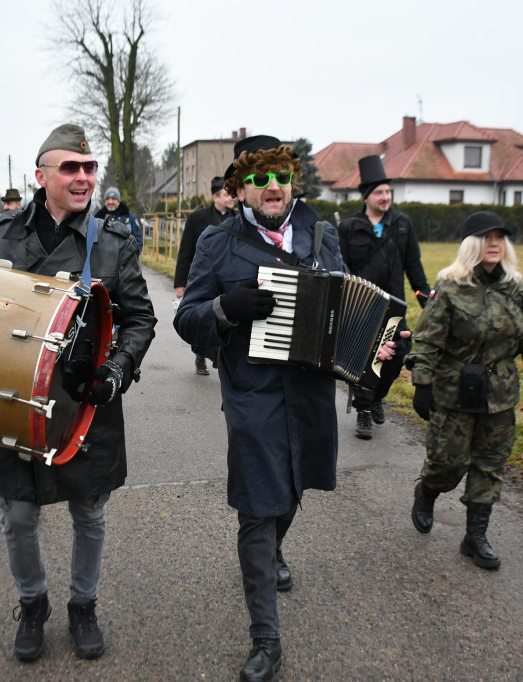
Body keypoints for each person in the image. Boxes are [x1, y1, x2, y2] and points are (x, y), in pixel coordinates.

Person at [174, 135, 401, 682]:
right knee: (258, 500)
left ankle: (273, 546)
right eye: (258, 178)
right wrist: (225, 308)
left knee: (294, 488)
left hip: (311, 392)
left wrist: (382, 345)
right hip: (252, 394)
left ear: (292, 180)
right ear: (241, 188)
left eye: (279, 176)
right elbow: (187, 319)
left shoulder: (321, 235)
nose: (270, 186)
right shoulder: (217, 242)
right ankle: (266, 639)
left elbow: (350, 307)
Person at [0, 124, 156, 662]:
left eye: (88, 169)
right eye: (69, 168)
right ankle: (33, 604)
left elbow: (140, 318)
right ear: (41, 176)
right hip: (15, 398)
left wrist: (119, 369)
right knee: (17, 515)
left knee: (90, 513)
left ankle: (84, 606)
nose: (82, 178)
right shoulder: (4, 234)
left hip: (86, 400)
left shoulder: (114, 240)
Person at [405, 211, 523, 570]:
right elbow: (426, 339)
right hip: (454, 392)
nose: (495, 244)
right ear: (473, 245)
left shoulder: (516, 290)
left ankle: (475, 537)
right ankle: (427, 492)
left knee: (490, 465)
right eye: (487, 238)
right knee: (447, 462)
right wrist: (422, 383)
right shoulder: (451, 287)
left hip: (499, 394)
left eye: (500, 237)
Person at [337, 154, 431, 440]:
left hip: (394, 305)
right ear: (366, 197)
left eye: (388, 192)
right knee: (365, 357)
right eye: (379, 192)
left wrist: (426, 300)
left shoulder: (402, 224)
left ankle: (377, 397)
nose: (385, 197)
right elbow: (340, 268)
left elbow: (414, 266)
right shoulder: (349, 227)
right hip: (360, 305)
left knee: (397, 355)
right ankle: (364, 410)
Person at [172, 176, 235, 375]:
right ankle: (200, 358)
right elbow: (185, 251)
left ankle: (225, 363)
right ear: (215, 197)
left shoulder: (237, 219)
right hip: (202, 277)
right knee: (204, 318)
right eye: (226, 195)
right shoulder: (197, 218)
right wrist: (180, 283)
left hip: (227, 280)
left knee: (225, 321)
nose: (231, 198)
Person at [94, 186, 143, 252]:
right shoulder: (98, 218)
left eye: (113, 199)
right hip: (103, 259)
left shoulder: (130, 217)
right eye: (108, 199)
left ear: (119, 201)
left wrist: (131, 259)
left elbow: (138, 241)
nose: (110, 202)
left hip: (125, 259)